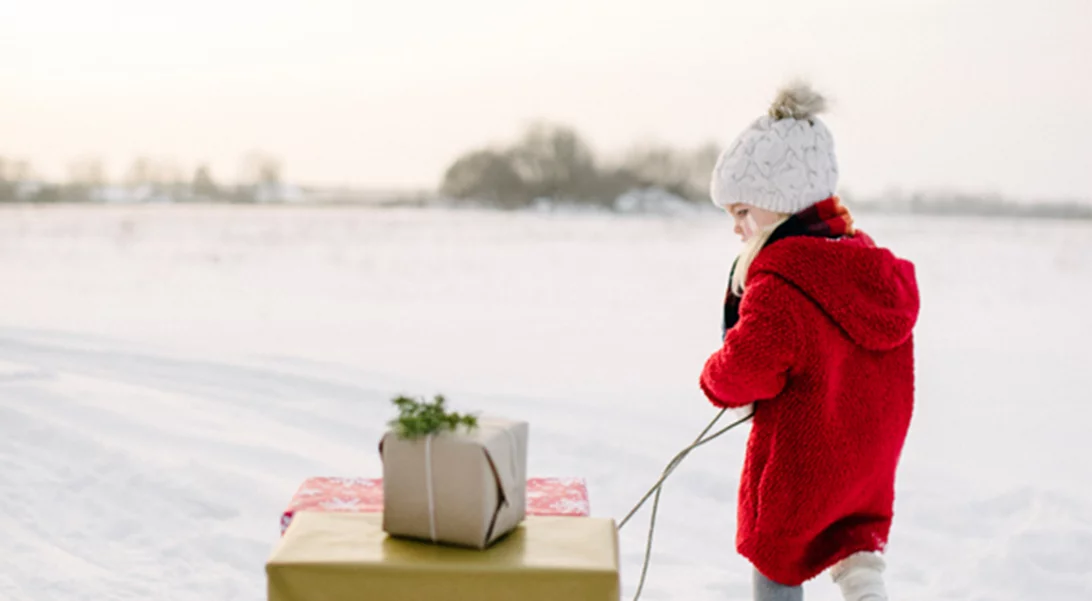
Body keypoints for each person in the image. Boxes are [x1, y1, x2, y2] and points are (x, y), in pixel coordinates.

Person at [699, 82, 920, 601]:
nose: (737, 229)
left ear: (780, 203)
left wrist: (713, 372)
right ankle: (865, 582)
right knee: (850, 538)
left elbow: (746, 370)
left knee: (776, 549)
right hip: (866, 454)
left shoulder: (782, 283)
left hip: (808, 455)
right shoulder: (864, 263)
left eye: (742, 212)